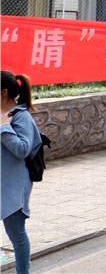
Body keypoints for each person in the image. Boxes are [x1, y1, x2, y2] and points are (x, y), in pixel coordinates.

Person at [1, 71, 42, 274]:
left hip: (14, 187)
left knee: (17, 235)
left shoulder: (21, 116)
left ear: (4, 92)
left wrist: (4, 128)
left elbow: (23, 149)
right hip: (3, 184)